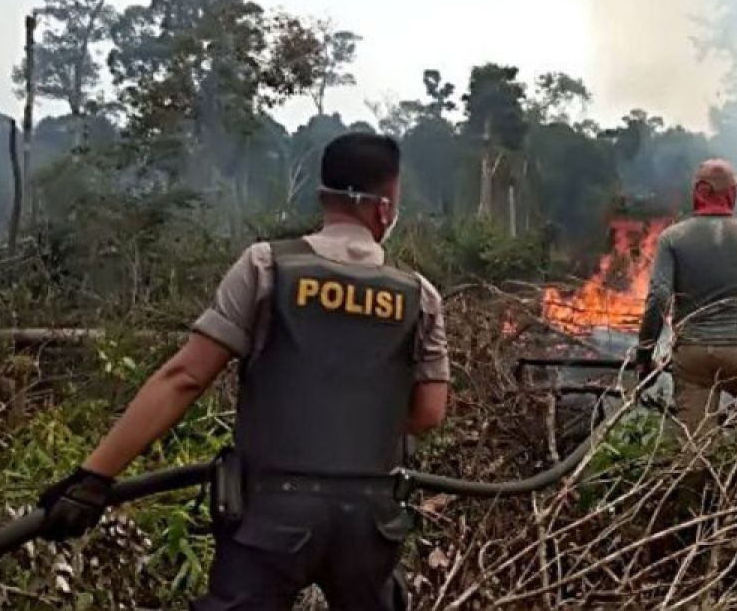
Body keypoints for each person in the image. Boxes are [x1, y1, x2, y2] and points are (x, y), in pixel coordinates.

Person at [36, 132, 450, 610]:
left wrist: (94, 478)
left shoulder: (266, 266)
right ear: (385, 209)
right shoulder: (420, 295)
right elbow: (429, 413)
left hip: (270, 517)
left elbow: (185, 378)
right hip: (369, 521)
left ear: (323, 197)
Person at [637, 158, 737, 436]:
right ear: (729, 194)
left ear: (698, 192)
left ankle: (699, 474)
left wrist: (645, 354)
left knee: (696, 443)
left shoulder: (672, 238)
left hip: (691, 356)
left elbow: (658, 298)